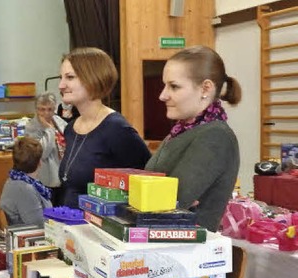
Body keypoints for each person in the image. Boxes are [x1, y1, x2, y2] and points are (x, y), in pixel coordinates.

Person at [145, 45, 240, 232]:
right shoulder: (182, 130)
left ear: (205, 88)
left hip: (187, 252)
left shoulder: (216, 136)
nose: (162, 95)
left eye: (174, 86)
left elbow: (172, 202)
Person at [58, 47, 151, 208]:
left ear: (93, 78)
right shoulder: (71, 128)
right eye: (61, 78)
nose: (61, 85)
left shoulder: (116, 129)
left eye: (70, 77)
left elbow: (148, 177)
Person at [25, 91, 67, 205]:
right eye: (42, 109)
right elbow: (42, 153)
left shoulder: (58, 121)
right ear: (36, 109)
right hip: (46, 179)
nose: (46, 113)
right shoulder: (31, 127)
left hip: (63, 176)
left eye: (50, 109)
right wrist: (49, 129)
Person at [0, 137, 52, 226]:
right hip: (31, 236)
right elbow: (39, 225)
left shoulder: (15, 178)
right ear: (39, 163)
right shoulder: (24, 188)